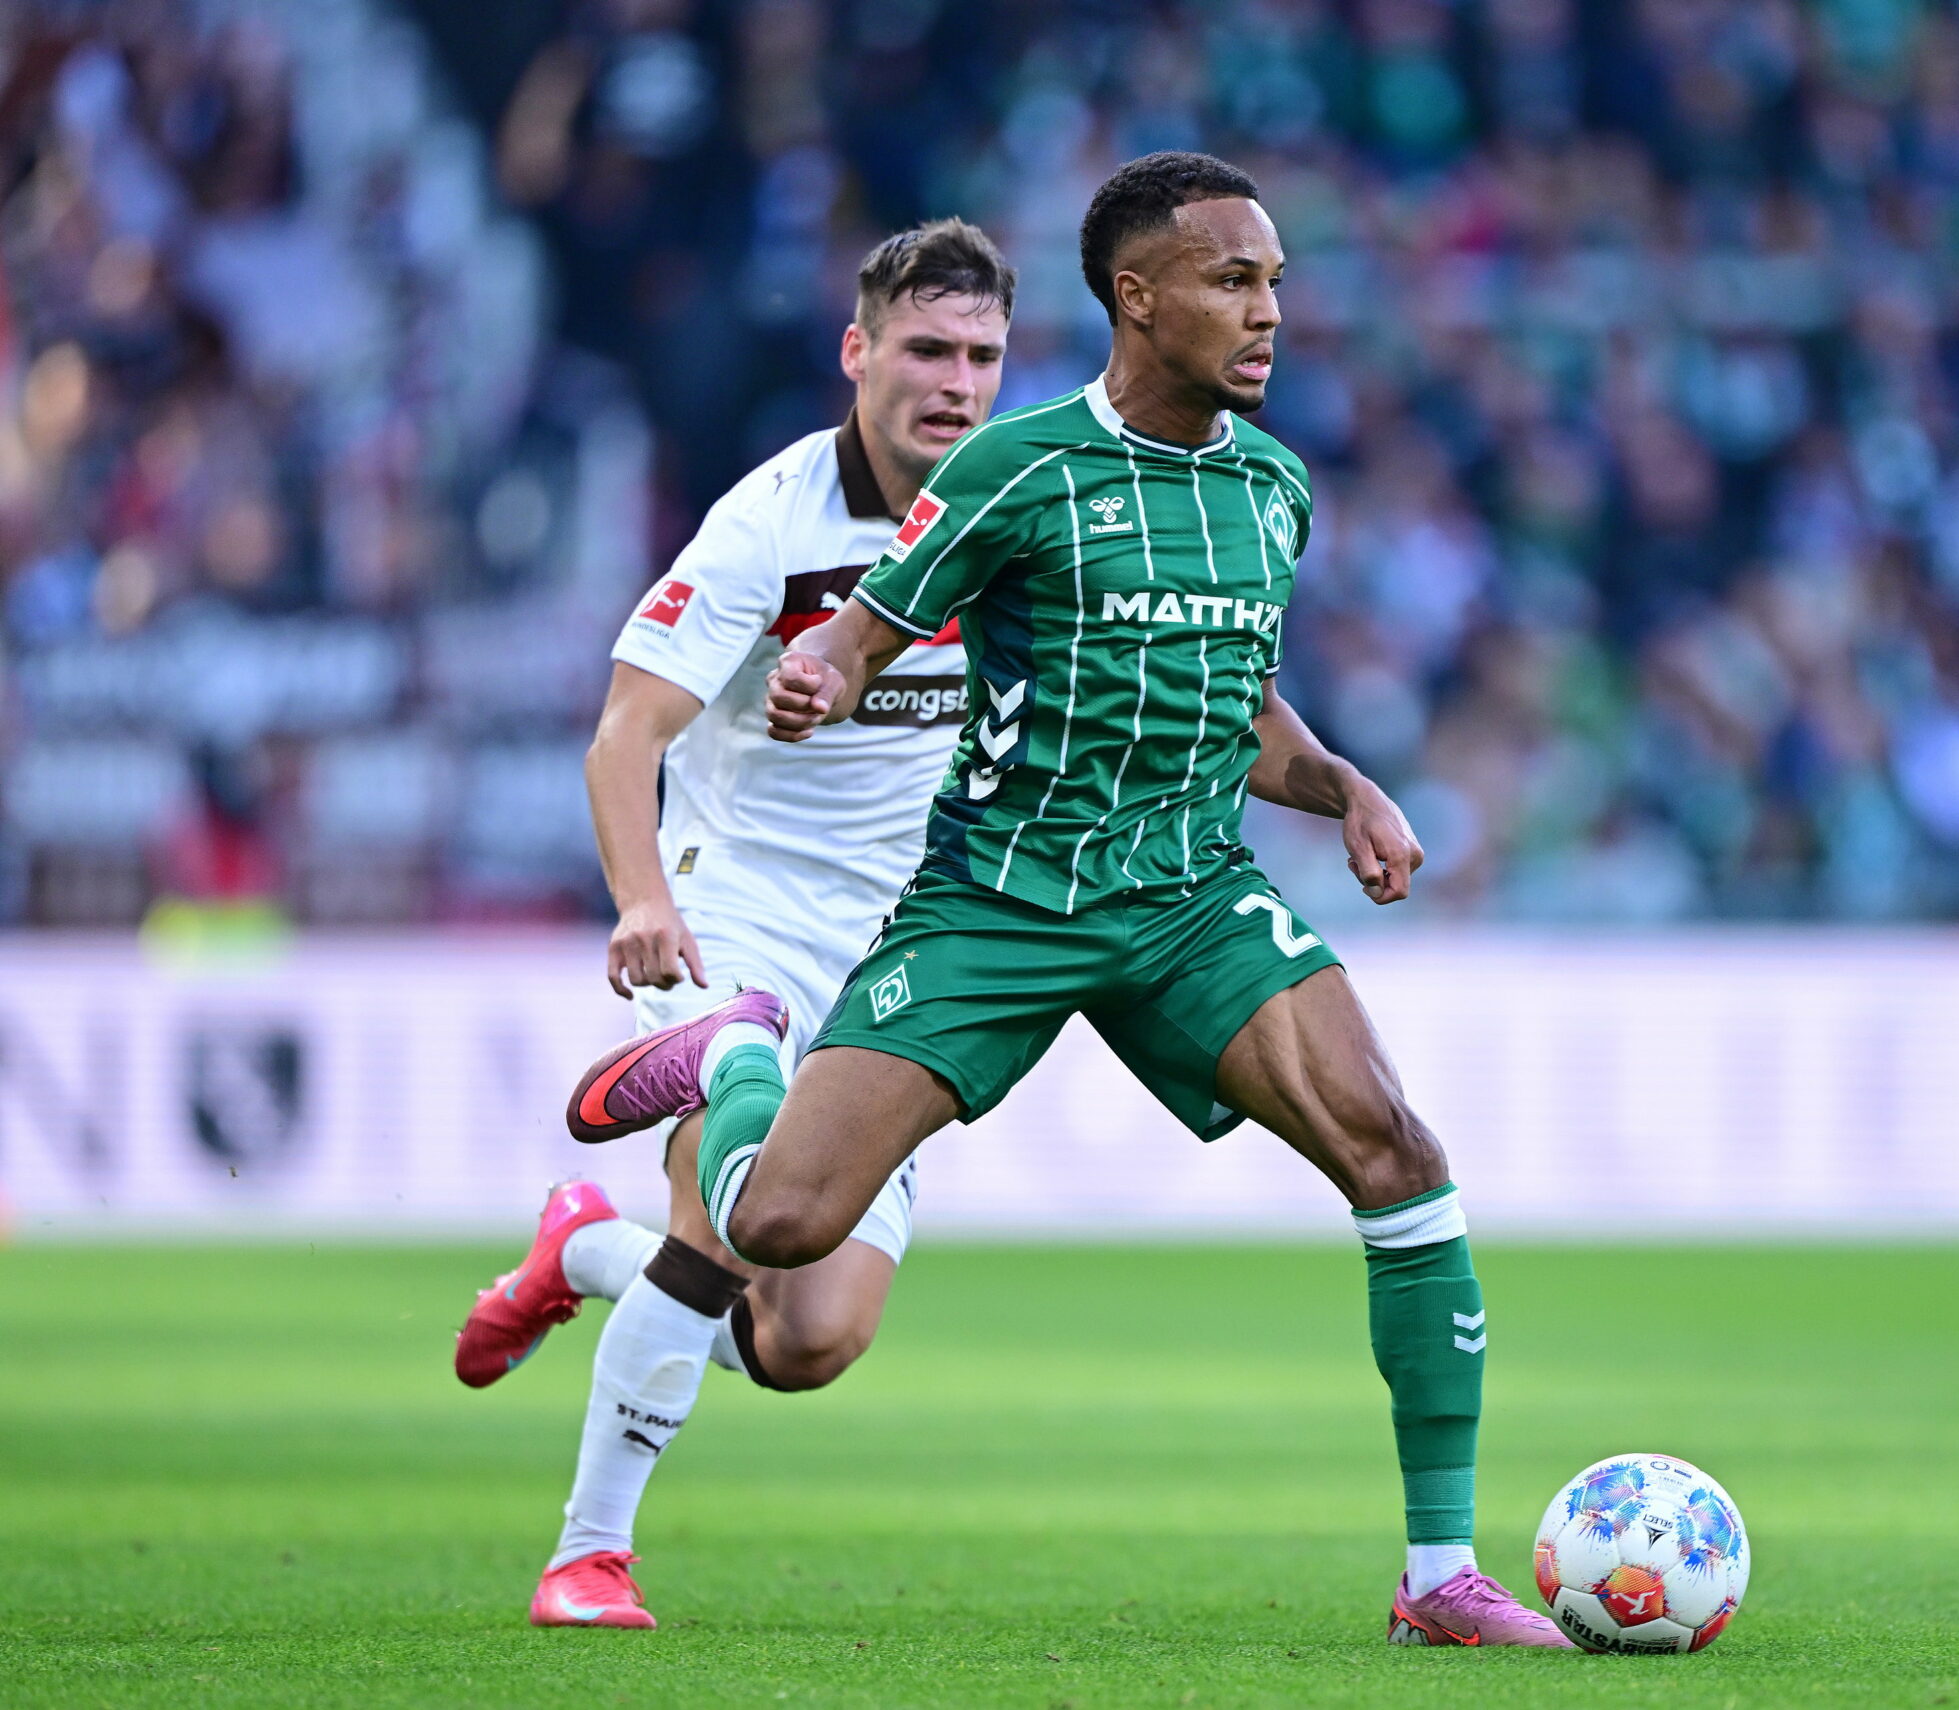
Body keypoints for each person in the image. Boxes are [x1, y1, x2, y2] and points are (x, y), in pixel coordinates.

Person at [709, 151, 1565, 1647]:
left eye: (1278, 283)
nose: (1269, 313)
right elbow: (862, 635)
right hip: (1002, 896)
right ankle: (731, 1060)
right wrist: (812, 678)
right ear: (1138, 293)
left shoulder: (1276, 488)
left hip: (1186, 894)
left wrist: (1347, 784)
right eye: (1236, 280)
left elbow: (1242, 709)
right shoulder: (1017, 469)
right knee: (781, 1227)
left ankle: (1440, 1575)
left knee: (1397, 1151)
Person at [449, 220, 1013, 1631]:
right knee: (719, 1209)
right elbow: (625, 731)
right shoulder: (771, 518)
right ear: (858, 352)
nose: (955, 383)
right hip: (734, 910)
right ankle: (590, 1553)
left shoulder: (1013, 507)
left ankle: (579, 1244)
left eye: (982, 357)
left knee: (806, 1337)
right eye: (927, 350)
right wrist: (645, 898)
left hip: (899, 947)